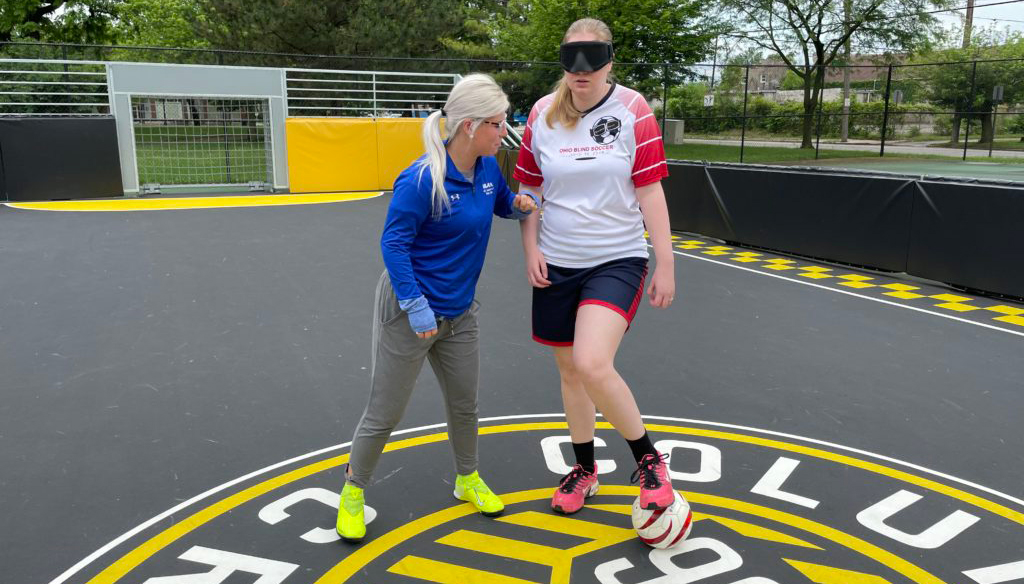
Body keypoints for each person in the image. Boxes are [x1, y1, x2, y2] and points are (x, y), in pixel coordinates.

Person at [337, 74, 538, 542]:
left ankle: (466, 478)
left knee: (465, 404)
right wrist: (415, 305)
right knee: (385, 411)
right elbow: (394, 243)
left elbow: (500, 203)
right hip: (411, 312)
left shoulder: (487, 167)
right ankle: (352, 490)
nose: (503, 131)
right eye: (497, 122)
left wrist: (520, 204)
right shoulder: (422, 177)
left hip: (460, 313)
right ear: (469, 126)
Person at [513, 18, 677, 515]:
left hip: (617, 257)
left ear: (610, 60)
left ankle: (648, 460)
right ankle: (585, 469)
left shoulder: (633, 110)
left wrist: (664, 264)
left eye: (594, 58)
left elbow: (650, 190)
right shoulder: (541, 114)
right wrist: (531, 248)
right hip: (558, 261)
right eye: (572, 58)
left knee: (591, 362)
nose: (582, 70)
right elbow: (530, 191)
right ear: (562, 59)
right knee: (569, 372)